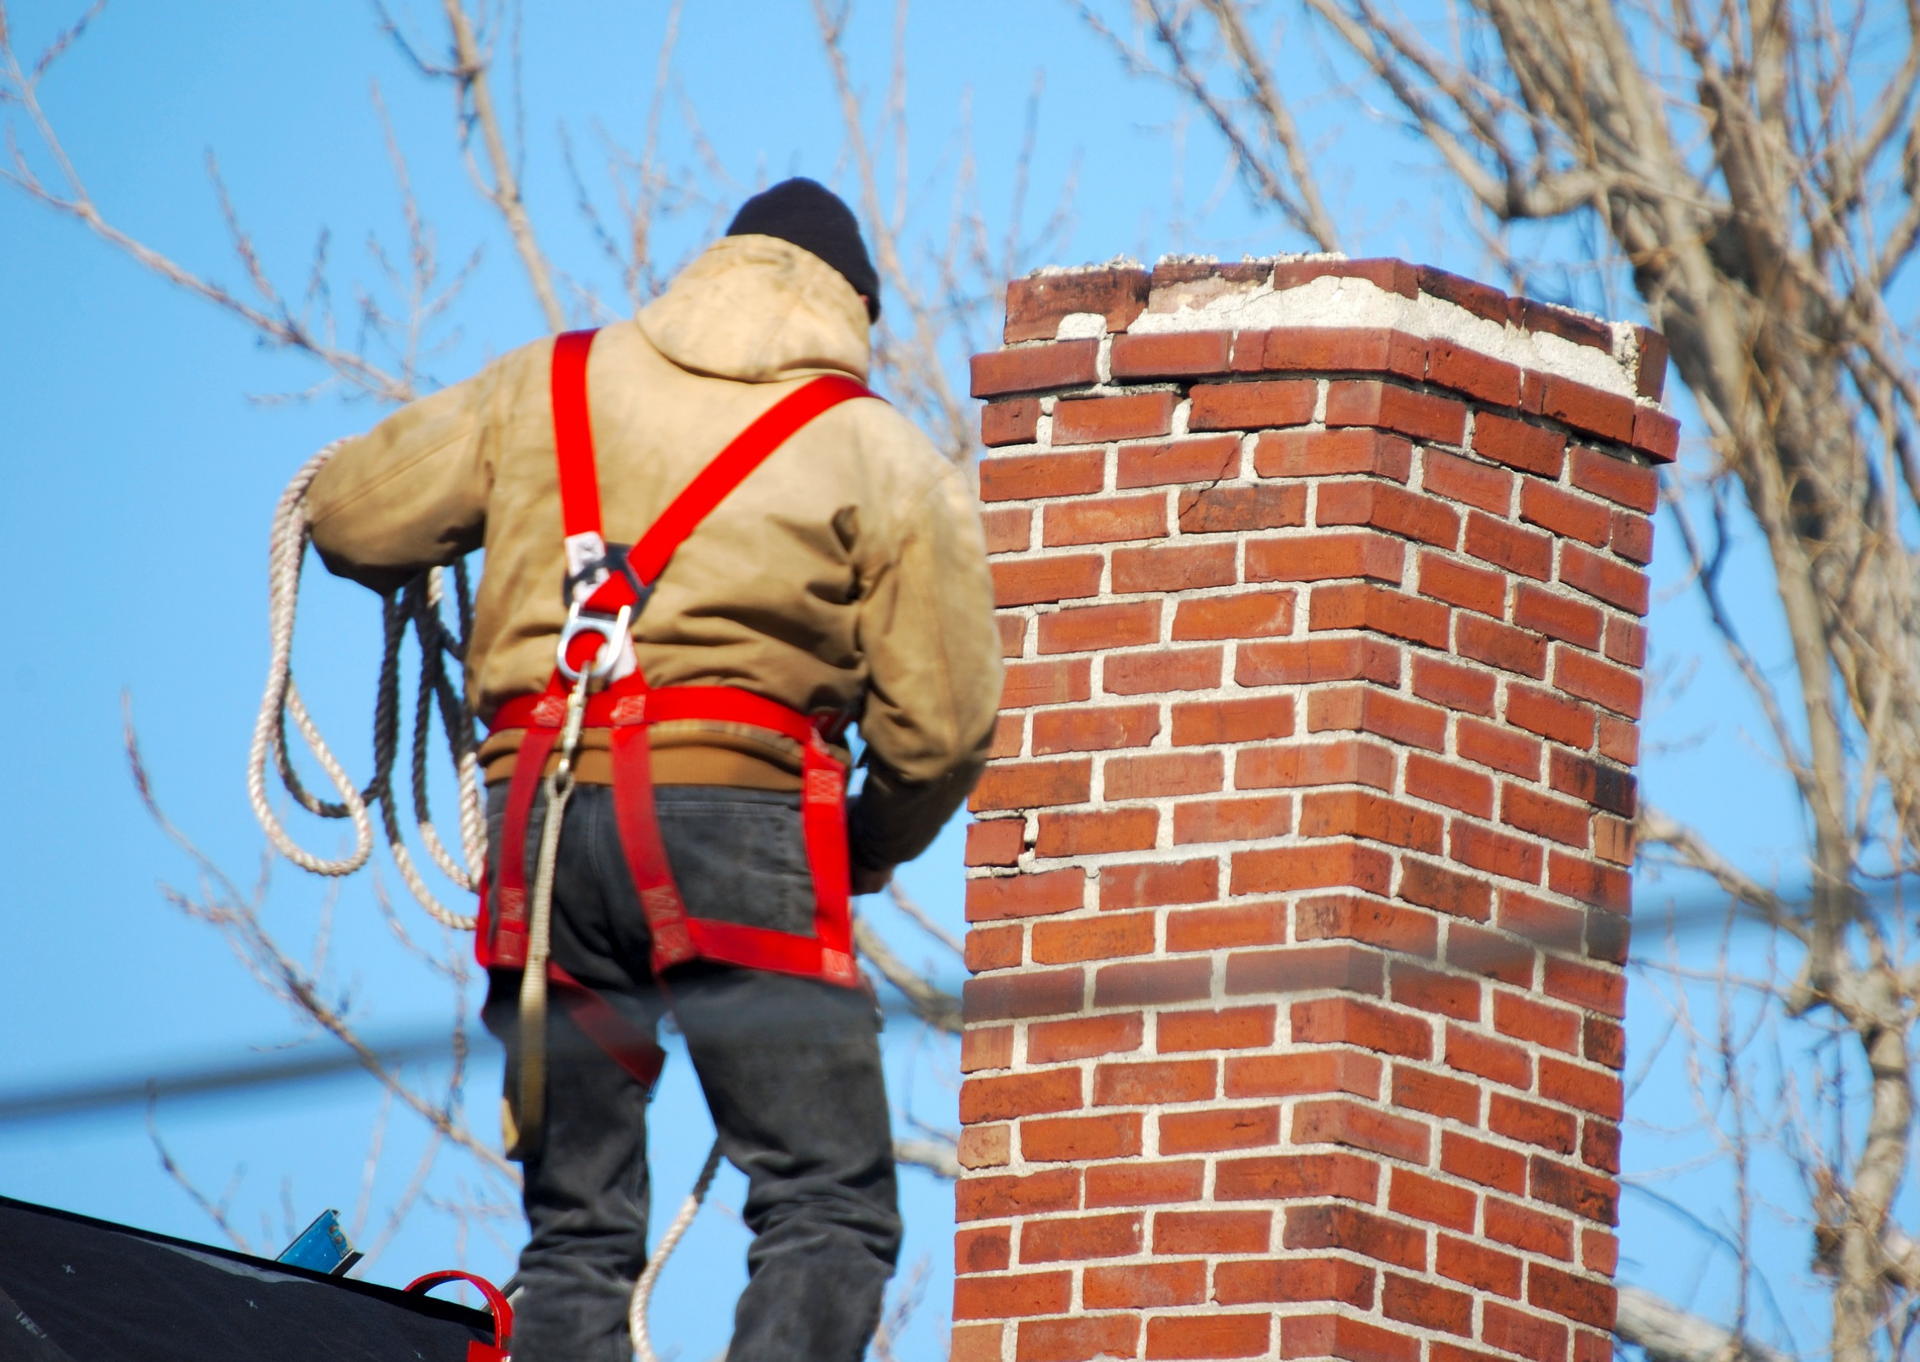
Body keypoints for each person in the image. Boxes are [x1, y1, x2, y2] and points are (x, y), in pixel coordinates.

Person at [301, 177, 1003, 1362]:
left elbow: (348, 519)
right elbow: (939, 733)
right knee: (826, 1198)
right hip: (736, 822)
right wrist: (867, 846)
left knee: (577, 1231)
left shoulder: (545, 384)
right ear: (852, 311)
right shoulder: (879, 451)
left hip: (540, 822)